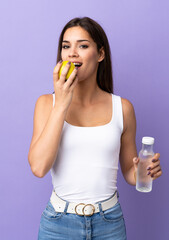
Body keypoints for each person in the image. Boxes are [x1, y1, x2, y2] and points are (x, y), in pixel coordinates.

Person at [28, 17, 162, 240]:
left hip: (109, 224)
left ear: (100, 54)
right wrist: (62, 103)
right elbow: (39, 168)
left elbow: (130, 173)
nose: (72, 53)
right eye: (66, 46)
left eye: (82, 45)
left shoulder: (123, 108)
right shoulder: (46, 104)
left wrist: (143, 171)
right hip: (58, 225)